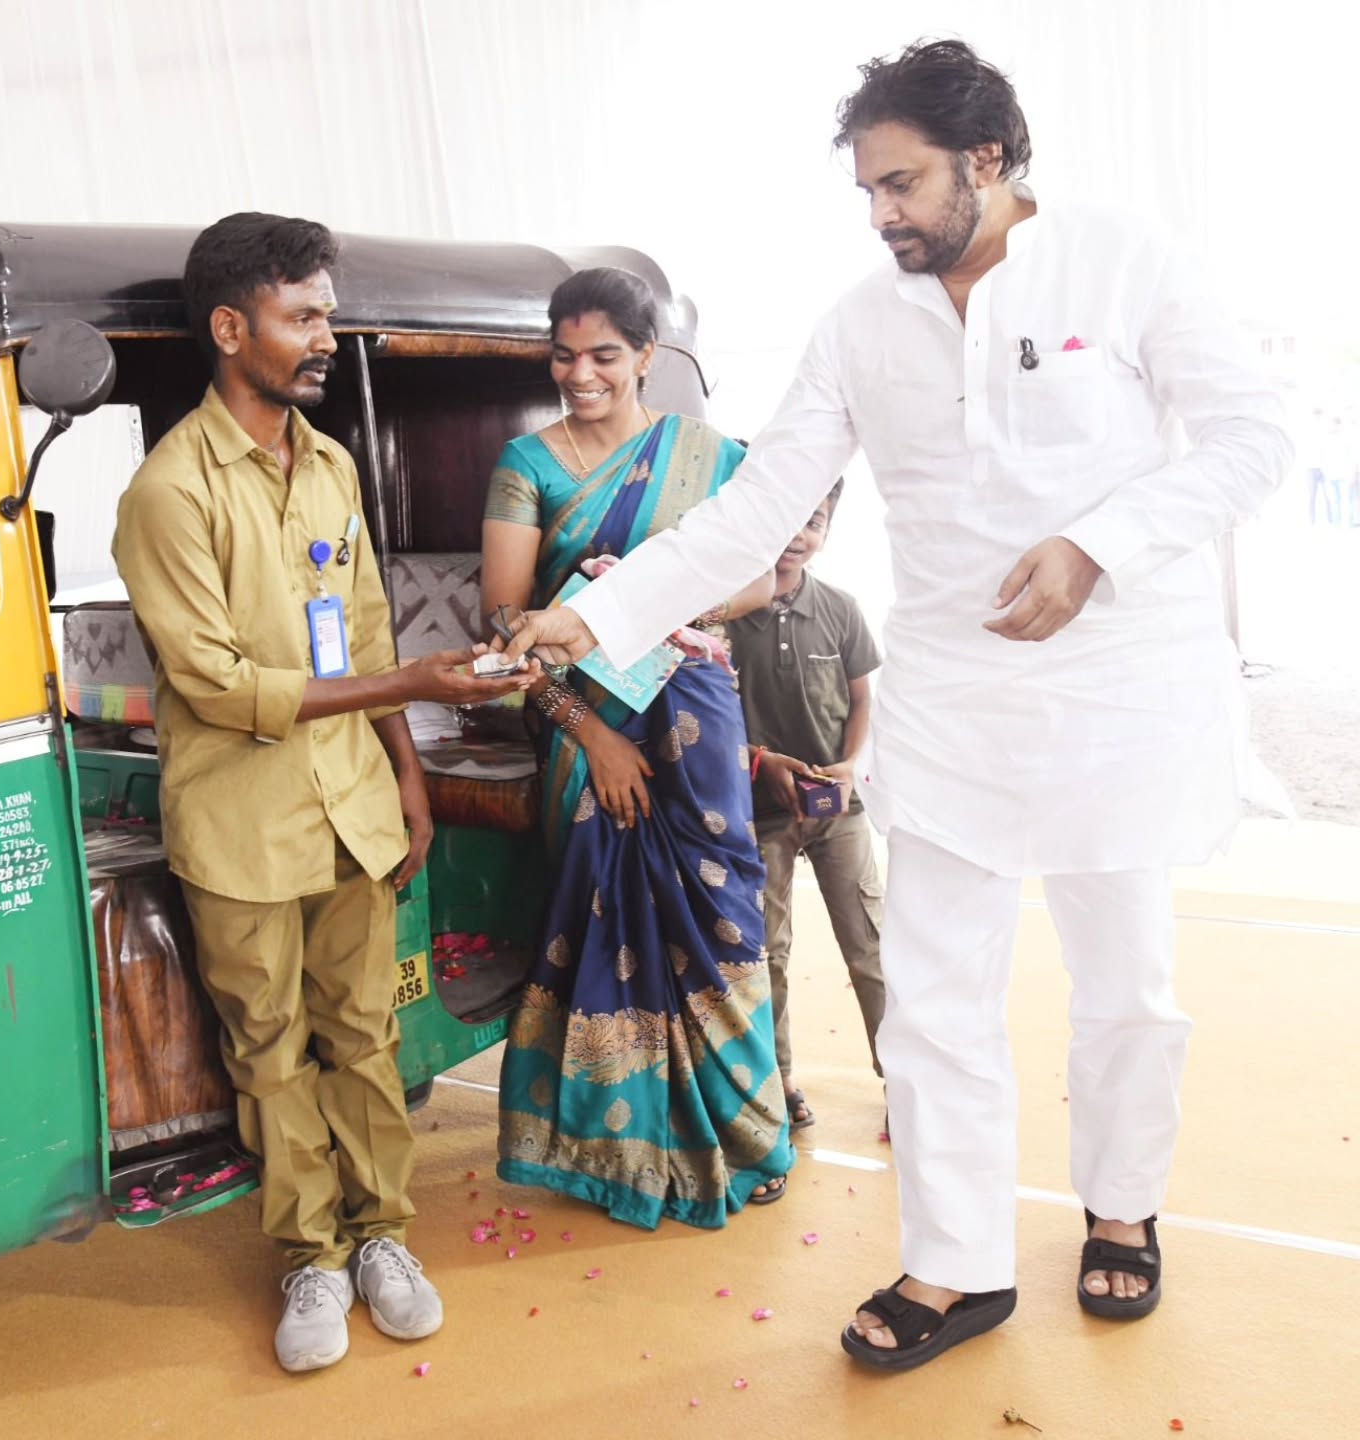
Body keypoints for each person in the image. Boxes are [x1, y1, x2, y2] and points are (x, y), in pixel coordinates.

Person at [498, 41, 1292, 1370]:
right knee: (933, 999)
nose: (883, 215)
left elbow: (1253, 437)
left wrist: (1103, 543)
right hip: (955, 706)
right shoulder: (863, 323)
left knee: (1128, 993)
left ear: (988, 160)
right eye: (869, 190)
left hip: (1120, 694)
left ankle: (1123, 1205)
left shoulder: (1125, 263)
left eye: (904, 183)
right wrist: (610, 609)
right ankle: (959, 1261)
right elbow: (756, 505)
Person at [113, 212, 535, 1374]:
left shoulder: (334, 464)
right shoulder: (167, 493)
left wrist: (406, 774)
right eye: (305, 317)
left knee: (366, 1036)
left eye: (328, 314)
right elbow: (219, 684)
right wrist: (406, 683)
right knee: (270, 1050)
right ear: (231, 327)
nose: (324, 339)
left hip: (352, 807)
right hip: (239, 827)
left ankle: (385, 1239)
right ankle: (309, 1256)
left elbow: (361, 632)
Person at [481, 266, 794, 1229]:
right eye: (564, 353)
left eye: (604, 355)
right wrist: (589, 735)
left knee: (721, 908)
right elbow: (504, 619)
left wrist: (660, 604)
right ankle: (610, 1147)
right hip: (581, 715)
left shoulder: (709, 454)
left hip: (694, 705)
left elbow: (770, 570)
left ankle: (746, 1136)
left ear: (647, 357)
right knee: (599, 915)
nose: (581, 373)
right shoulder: (526, 466)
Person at [725, 478, 887, 1132]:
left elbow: (864, 700)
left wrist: (849, 766)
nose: (797, 535)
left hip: (839, 814)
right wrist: (761, 765)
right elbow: (707, 724)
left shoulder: (842, 609)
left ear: (826, 530)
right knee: (767, 953)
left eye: (813, 522)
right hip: (760, 815)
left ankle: (902, 1079)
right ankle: (780, 1081)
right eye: (786, 517)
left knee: (870, 945)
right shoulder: (726, 616)